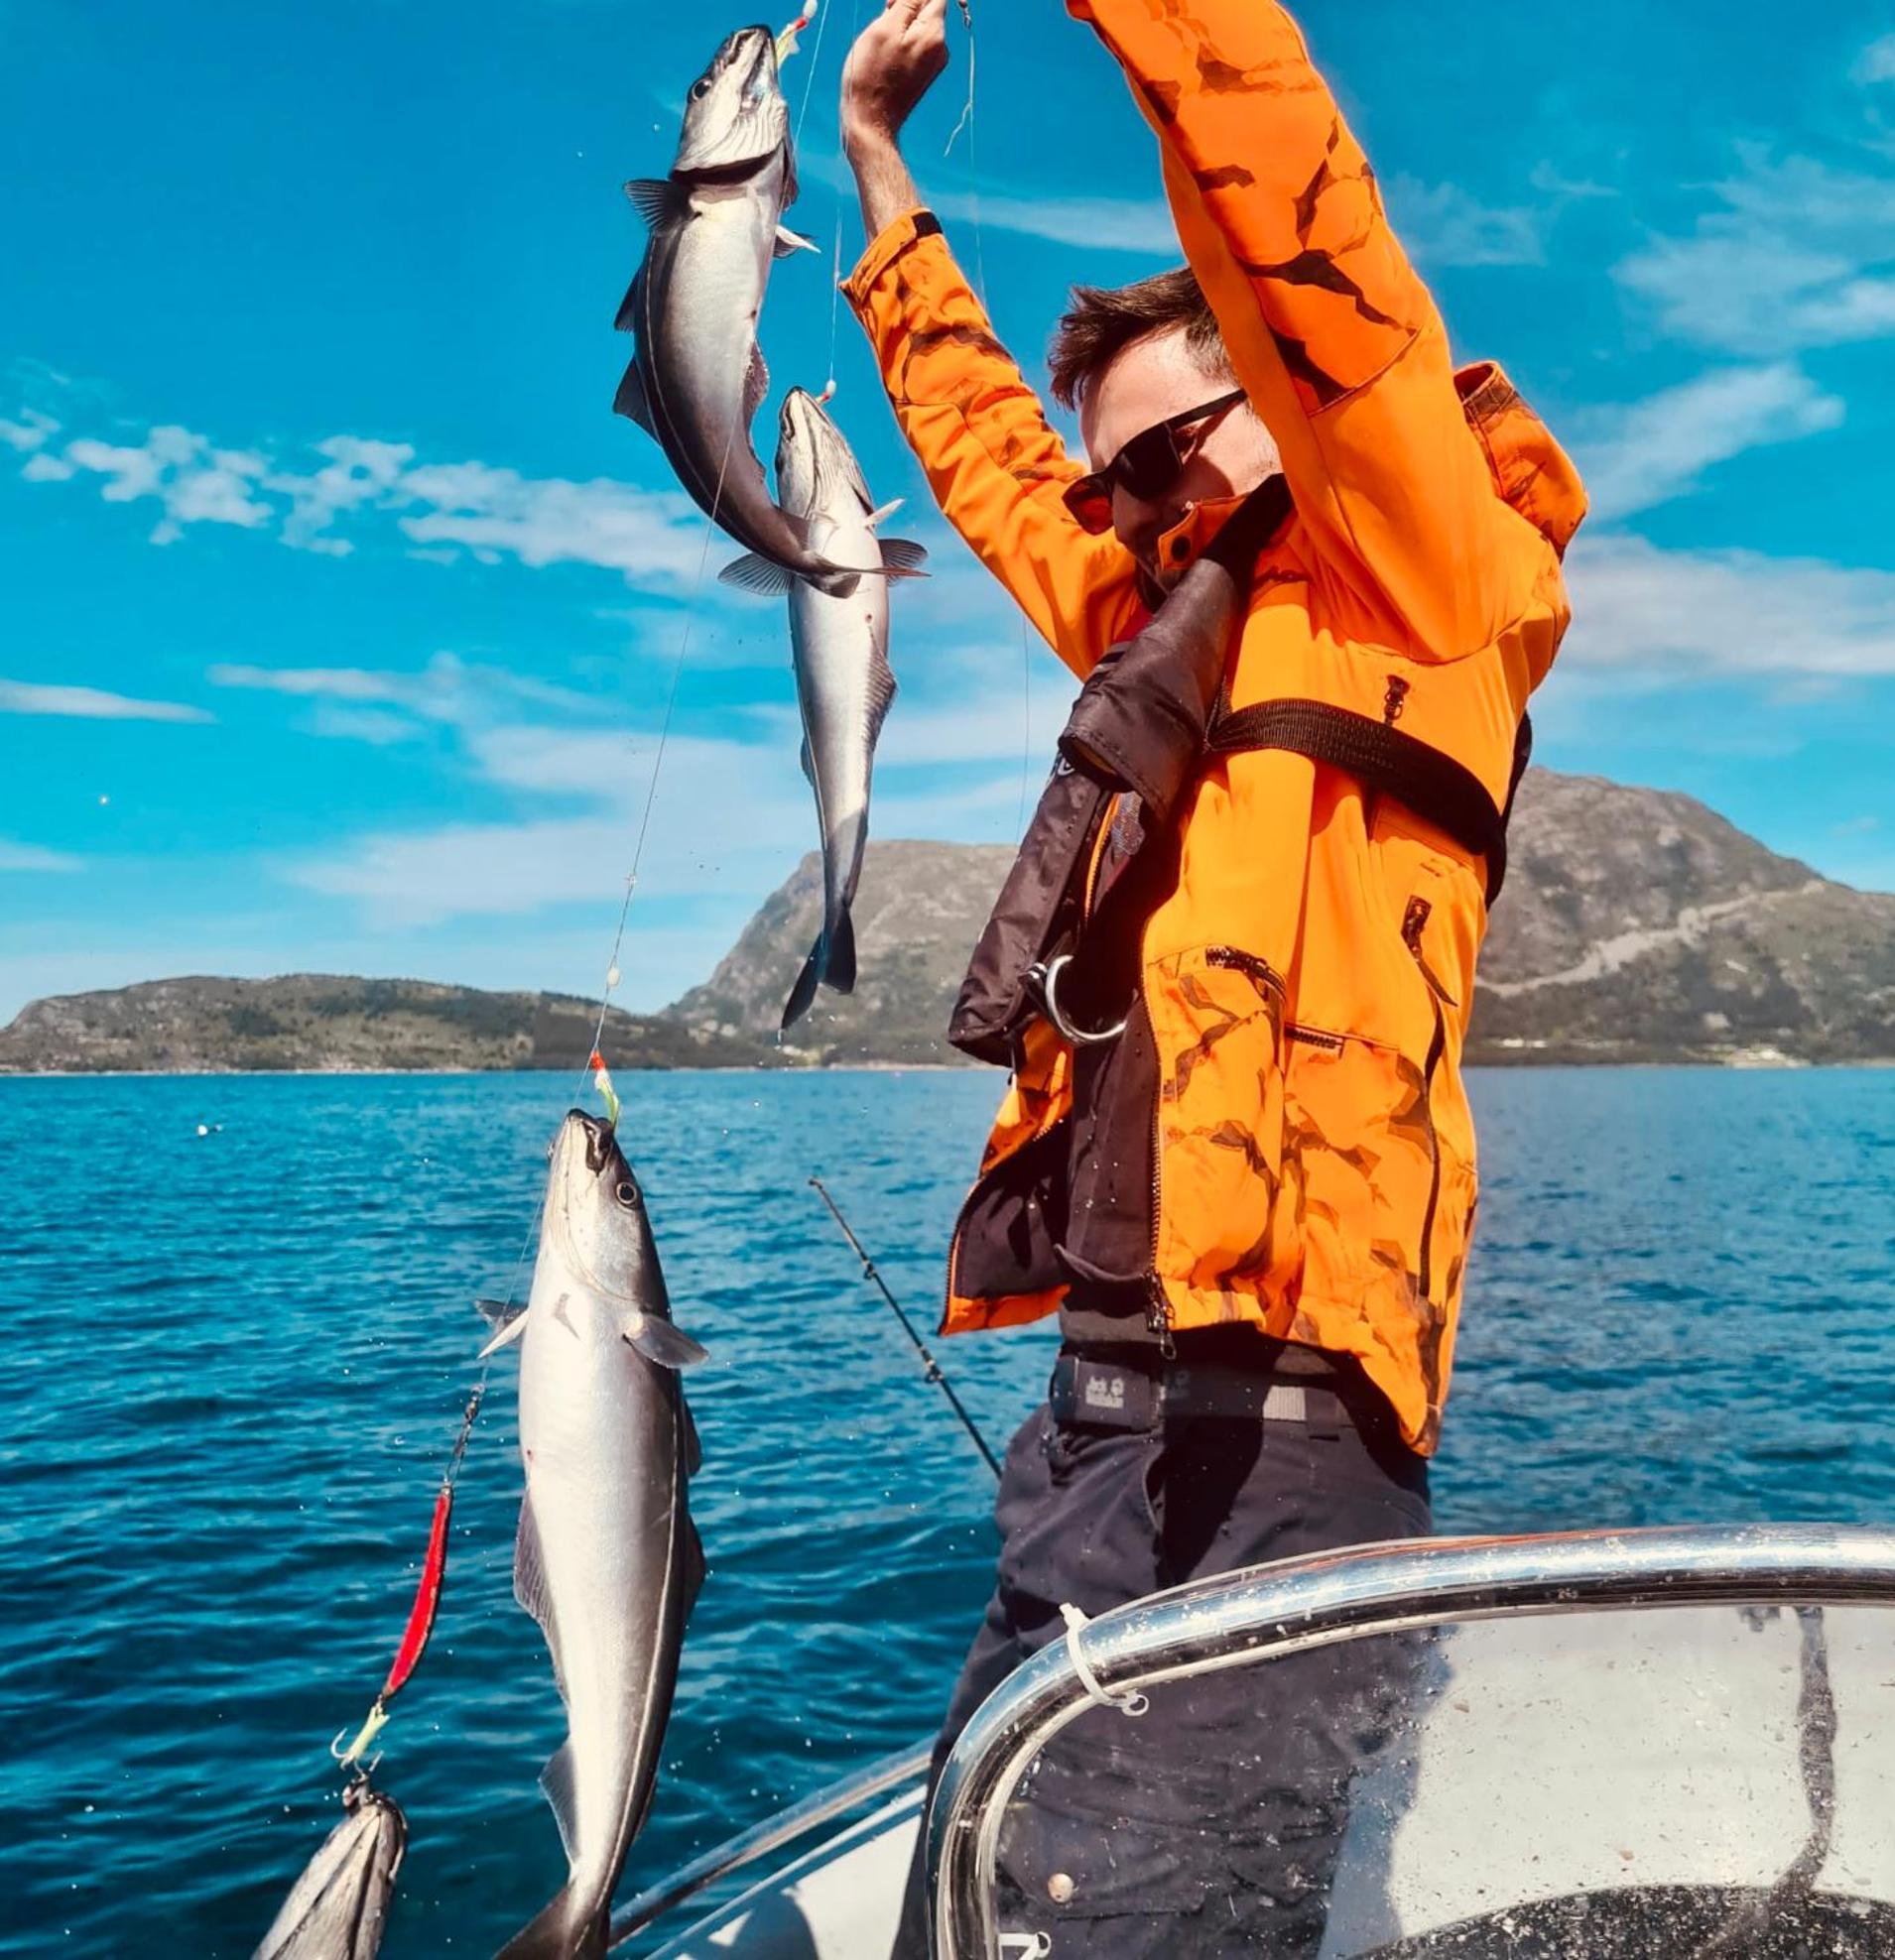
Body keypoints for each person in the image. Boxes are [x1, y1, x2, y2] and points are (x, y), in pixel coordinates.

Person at [836, 1, 1587, 1950]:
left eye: (1186, 441)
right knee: (966, 1903)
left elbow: (1290, 211)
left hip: (1274, 1446)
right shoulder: (1161, 613)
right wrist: (879, 177)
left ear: (1287, 395)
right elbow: (999, 468)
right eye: (1127, 482)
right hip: (1088, 1436)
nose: (1148, 501)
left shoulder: (1419, 576)